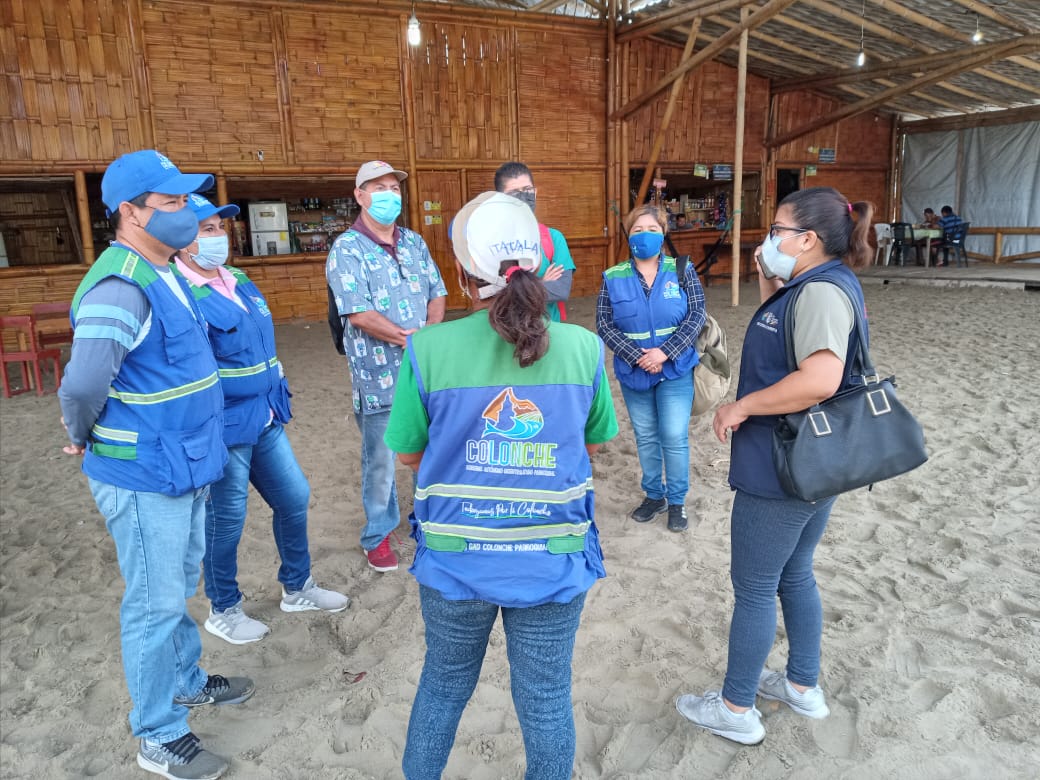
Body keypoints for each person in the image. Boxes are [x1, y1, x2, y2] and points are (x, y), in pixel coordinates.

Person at [385, 191, 618, 780]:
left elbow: (409, 452)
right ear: (540, 267)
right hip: (552, 556)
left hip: (456, 556)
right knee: (545, 698)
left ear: (464, 276)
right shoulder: (585, 348)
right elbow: (591, 445)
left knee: (443, 685)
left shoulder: (426, 349)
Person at [58, 150, 253, 779]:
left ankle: (187, 680)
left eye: (185, 199)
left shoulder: (164, 269)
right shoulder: (121, 285)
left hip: (183, 463)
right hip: (145, 473)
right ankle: (158, 736)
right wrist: (80, 434)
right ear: (131, 212)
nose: (185, 211)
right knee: (153, 602)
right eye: (170, 202)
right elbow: (83, 384)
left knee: (175, 588)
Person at [675, 186, 874, 745]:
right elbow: (790, 334)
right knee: (793, 573)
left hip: (786, 464)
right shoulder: (818, 284)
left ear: (807, 239)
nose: (769, 239)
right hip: (813, 461)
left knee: (756, 586)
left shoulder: (821, 294)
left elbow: (820, 379)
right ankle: (801, 685)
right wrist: (770, 283)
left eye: (777, 230)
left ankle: (736, 707)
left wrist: (741, 407)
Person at [173, 194, 349, 645]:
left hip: (266, 415)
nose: (219, 236)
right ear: (182, 238)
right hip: (225, 426)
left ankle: (297, 587)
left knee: (294, 497)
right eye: (207, 229)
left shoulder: (238, 279)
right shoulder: (179, 294)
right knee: (227, 519)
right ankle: (224, 608)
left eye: (220, 228)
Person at [326, 161, 447, 572]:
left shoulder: (414, 242)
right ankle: (377, 534)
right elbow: (357, 311)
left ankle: (427, 520)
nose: (389, 195)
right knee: (380, 460)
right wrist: (407, 339)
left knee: (427, 451)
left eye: (394, 188)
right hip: (376, 377)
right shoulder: (347, 249)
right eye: (378, 187)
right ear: (359, 196)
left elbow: (437, 291)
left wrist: (430, 334)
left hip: (424, 372)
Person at [596, 204, 707, 532]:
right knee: (645, 436)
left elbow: (697, 314)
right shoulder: (613, 277)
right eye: (638, 230)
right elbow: (604, 323)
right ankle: (654, 496)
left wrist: (665, 353)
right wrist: (637, 356)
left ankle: (677, 501)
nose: (645, 235)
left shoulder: (682, 269)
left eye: (652, 229)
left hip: (675, 369)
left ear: (663, 234)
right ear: (628, 235)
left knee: (673, 435)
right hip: (634, 372)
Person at [494, 161, 574, 321]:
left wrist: (515, 291)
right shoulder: (492, 242)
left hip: (549, 329)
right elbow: (493, 296)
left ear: (535, 193)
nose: (523, 198)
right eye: (514, 193)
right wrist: (541, 283)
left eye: (527, 190)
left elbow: (561, 290)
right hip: (507, 330)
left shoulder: (553, 238)